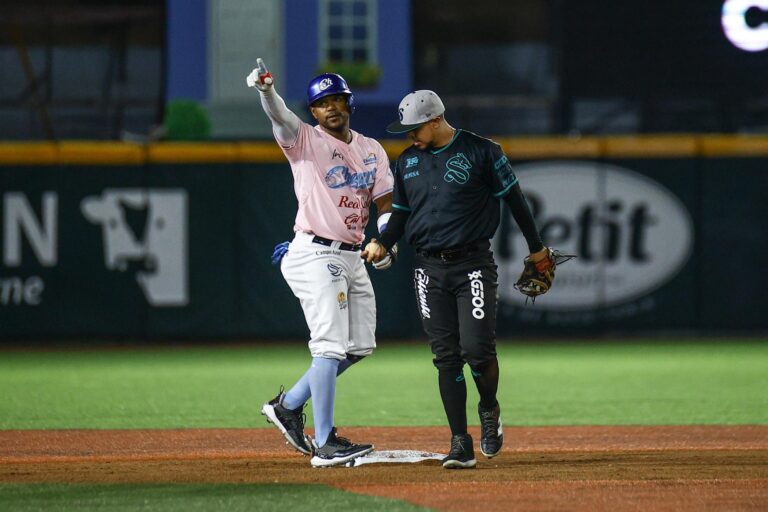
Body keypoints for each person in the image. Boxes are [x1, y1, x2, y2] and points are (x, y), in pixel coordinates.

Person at [362, 90, 550, 469]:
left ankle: (489, 408)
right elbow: (400, 213)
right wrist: (383, 242)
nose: (409, 136)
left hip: (473, 266)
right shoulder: (408, 161)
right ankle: (459, 443)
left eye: (415, 128)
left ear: (435, 120)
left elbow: (515, 200)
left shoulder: (483, 151)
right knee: (446, 358)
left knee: (477, 352)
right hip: (427, 269)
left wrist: (537, 249)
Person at [246, 58, 395, 468]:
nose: (331, 107)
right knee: (328, 346)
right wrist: (266, 91)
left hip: (352, 254)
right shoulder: (304, 139)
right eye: (322, 102)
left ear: (349, 103)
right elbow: (280, 116)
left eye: (337, 99)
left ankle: (289, 405)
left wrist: (386, 238)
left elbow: (384, 201)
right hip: (316, 251)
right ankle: (326, 442)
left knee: (359, 346)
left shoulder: (371, 149)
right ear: (312, 111)